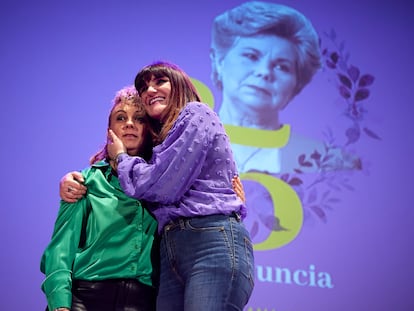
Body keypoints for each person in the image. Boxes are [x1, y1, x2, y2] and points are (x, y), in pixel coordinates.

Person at [106, 61, 254, 310]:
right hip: (170, 250)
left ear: (180, 85)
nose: (149, 90)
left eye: (159, 81)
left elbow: (162, 186)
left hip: (210, 242)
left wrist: (121, 159)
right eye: (144, 87)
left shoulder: (197, 112)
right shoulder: (157, 147)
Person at [209, 1, 360, 244]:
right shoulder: (180, 144)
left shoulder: (335, 163)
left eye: (282, 66)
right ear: (219, 60)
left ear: (296, 85)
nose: (264, 72)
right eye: (251, 55)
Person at [40, 86, 159, 311]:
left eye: (139, 118)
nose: (129, 124)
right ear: (109, 130)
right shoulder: (84, 182)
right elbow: (60, 250)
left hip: (141, 301)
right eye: (121, 118)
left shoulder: (163, 184)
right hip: (84, 299)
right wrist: (59, 304)